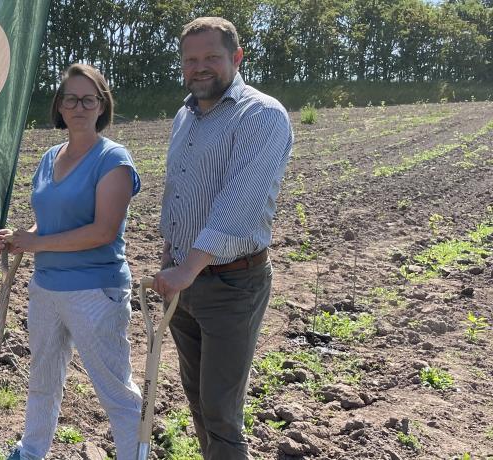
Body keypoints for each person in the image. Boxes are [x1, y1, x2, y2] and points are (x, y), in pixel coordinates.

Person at [151, 17, 293, 460]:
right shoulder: (185, 115)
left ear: (236, 57)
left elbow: (241, 201)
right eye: (191, 60)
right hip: (184, 282)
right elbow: (179, 191)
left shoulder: (261, 114)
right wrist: (170, 254)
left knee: (221, 410)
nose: (200, 67)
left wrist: (187, 269)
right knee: (196, 396)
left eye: (211, 57)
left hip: (232, 283)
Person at [0, 63, 142, 460]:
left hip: (95, 290)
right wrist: (19, 238)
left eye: (88, 99)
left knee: (115, 389)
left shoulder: (114, 160)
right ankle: (31, 451)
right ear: (59, 106)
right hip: (46, 287)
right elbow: (52, 217)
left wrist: (37, 242)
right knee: (43, 377)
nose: (78, 106)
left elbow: (102, 231)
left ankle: (134, 454)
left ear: (101, 106)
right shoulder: (49, 157)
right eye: (70, 98)